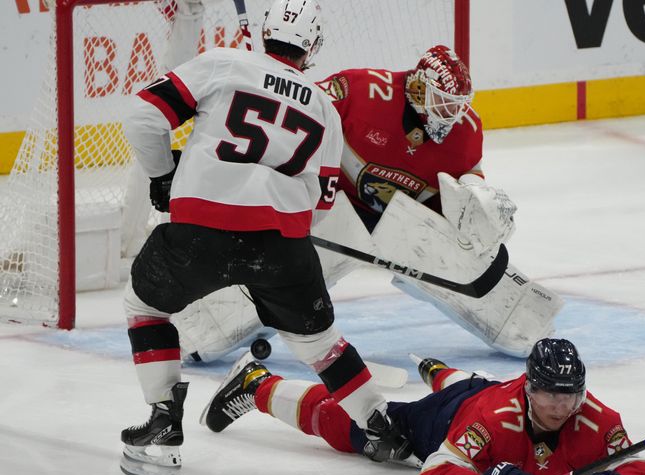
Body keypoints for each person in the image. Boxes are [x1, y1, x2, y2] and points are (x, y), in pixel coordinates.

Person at [119, 0, 410, 475]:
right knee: (320, 344)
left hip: (198, 236)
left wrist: (164, 176)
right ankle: (381, 427)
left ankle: (164, 422)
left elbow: (144, 118)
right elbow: (323, 201)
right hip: (282, 248)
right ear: (312, 47)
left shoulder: (224, 62)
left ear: (269, 31)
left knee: (144, 308)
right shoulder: (324, 107)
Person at [172, 44, 563, 363]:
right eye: (443, 103)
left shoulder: (466, 131)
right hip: (329, 207)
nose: (452, 114)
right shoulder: (361, 91)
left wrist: (479, 208)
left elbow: (466, 193)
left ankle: (523, 324)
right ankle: (197, 327)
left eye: (457, 105)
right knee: (275, 276)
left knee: (480, 272)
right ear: (417, 88)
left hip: (404, 224)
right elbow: (298, 117)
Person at [201, 338, 645, 475]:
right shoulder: (493, 418)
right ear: (528, 390)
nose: (561, 407)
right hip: (451, 414)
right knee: (367, 431)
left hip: (485, 389)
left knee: (476, 385)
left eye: (570, 395)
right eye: (549, 395)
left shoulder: (597, 417)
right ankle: (258, 384)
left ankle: (442, 369)